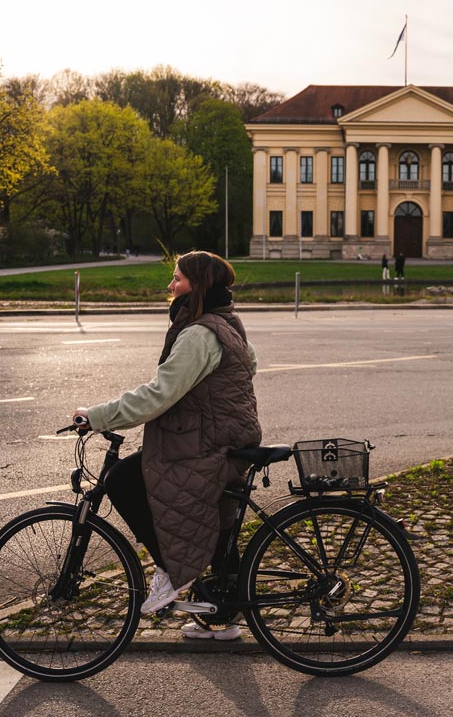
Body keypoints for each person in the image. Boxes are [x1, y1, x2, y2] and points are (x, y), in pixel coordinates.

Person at [74, 250, 260, 641]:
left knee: (122, 478)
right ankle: (223, 616)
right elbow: (247, 367)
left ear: (198, 285)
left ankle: (171, 568)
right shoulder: (228, 322)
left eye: (177, 278)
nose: (170, 286)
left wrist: (97, 415)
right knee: (221, 520)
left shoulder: (199, 333)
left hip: (207, 444)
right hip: (229, 438)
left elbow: (158, 396)